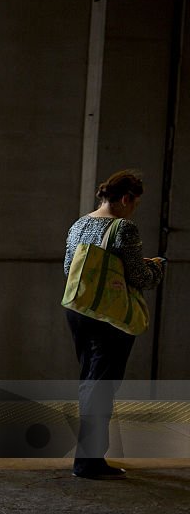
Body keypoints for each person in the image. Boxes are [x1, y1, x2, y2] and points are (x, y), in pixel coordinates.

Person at [64, 170, 164, 479]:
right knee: (102, 385)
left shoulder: (79, 223)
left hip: (79, 309)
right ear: (126, 198)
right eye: (135, 202)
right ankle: (89, 461)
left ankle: (88, 457)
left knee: (90, 380)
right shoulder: (124, 227)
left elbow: (69, 268)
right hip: (108, 315)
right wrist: (157, 268)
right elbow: (138, 277)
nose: (134, 208)